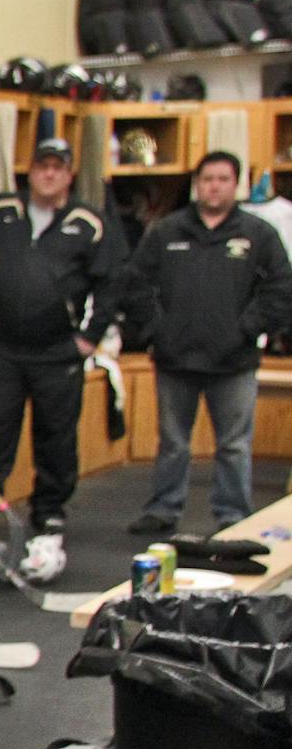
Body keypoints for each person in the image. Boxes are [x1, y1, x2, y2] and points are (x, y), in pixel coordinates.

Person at [121, 149, 292, 534]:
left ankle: (233, 515)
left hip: (234, 361)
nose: (214, 186)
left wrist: (248, 329)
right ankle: (164, 509)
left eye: (223, 179)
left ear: (236, 185)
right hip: (174, 358)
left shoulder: (257, 234)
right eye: (207, 179)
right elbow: (134, 285)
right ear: (197, 185)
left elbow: (282, 289)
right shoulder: (167, 231)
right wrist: (154, 331)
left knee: (233, 446)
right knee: (173, 443)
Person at [0, 138, 125, 538]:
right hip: (1, 348)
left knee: (56, 437)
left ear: (69, 174)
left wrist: (90, 337)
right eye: (42, 165)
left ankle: (50, 510)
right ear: (30, 170)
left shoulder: (89, 223)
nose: (49, 173)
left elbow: (111, 282)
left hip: (57, 350)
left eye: (58, 167)